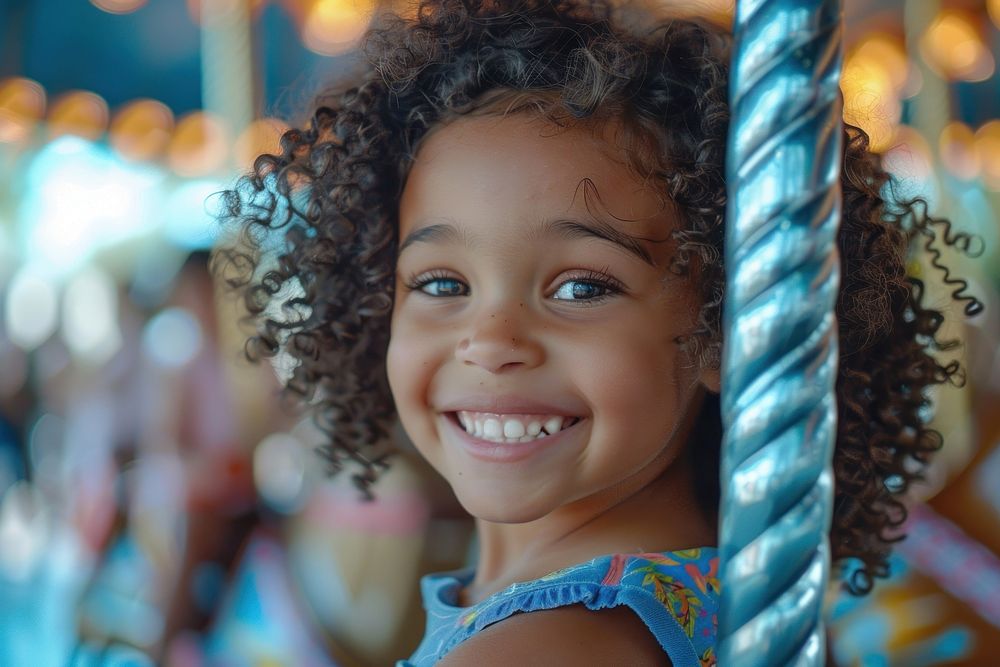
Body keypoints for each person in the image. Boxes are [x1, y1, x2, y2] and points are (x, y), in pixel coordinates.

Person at [212, 1, 982, 664]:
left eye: (582, 286)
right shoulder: (701, 591)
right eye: (442, 283)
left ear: (722, 329)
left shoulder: (545, 648)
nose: (491, 338)